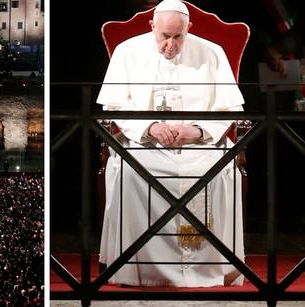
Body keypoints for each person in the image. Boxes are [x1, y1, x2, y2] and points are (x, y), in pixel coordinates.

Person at [97, 0, 245, 287]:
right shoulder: (127, 51)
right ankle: (141, 269)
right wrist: (149, 126)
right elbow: (113, 105)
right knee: (129, 174)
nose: (171, 44)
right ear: (152, 26)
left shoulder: (212, 52)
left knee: (224, 173)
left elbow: (230, 109)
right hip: (144, 141)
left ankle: (210, 268)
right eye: (164, 36)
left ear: (189, 28)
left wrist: (197, 131)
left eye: (178, 37)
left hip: (201, 143)